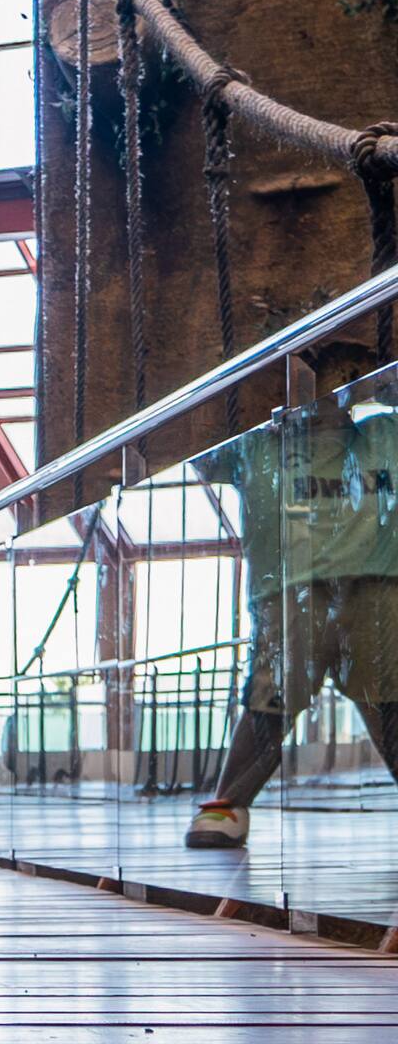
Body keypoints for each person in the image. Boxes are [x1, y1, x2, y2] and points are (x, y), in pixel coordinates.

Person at [184, 348, 398, 848]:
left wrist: (386, 384)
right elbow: (196, 446)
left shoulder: (385, 434)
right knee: (268, 704)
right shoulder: (255, 447)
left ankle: (227, 807)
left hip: (375, 588)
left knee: (390, 705)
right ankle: (227, 805)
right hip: (292, 594)